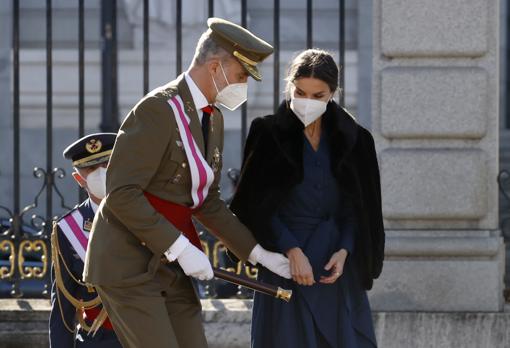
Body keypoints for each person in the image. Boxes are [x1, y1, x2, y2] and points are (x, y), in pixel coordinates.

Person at [83, 17, 291, 348]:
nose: (242, 87)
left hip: (169, 263)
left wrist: (258, 254)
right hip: (128, 263)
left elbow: (206, 200)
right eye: (239, 76)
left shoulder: (213, 117)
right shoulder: (157, 110)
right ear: (214, 67)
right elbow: (121, 193)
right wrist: (180, 248)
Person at [230, 49, 385, 348]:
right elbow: (255, 204)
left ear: (333, 94)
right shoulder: (268, 133)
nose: (307, 102)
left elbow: (359, 207)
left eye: (318, 95)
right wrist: (291, 249)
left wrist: (345, 250)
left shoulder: (355, 138)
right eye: (300, 92)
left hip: (335, 269)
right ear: (290, 85)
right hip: (285, 265)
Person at [49, 133, 122, 347]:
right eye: (90, 169)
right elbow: (63, 307)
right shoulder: (68, 229)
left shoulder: (148, 214)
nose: (100, 173)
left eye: (107, 164)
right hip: (97, 340)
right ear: (79, 179)